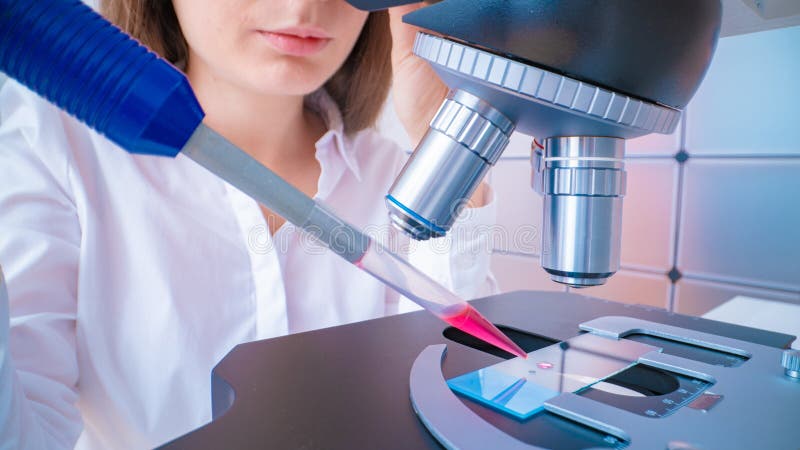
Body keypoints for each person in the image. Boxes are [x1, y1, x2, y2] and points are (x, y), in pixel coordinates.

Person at [0, 1, 497, 449]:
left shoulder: (406, 181)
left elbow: (463, 411)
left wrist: (455, 141)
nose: (304, 7)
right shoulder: (56, 149)